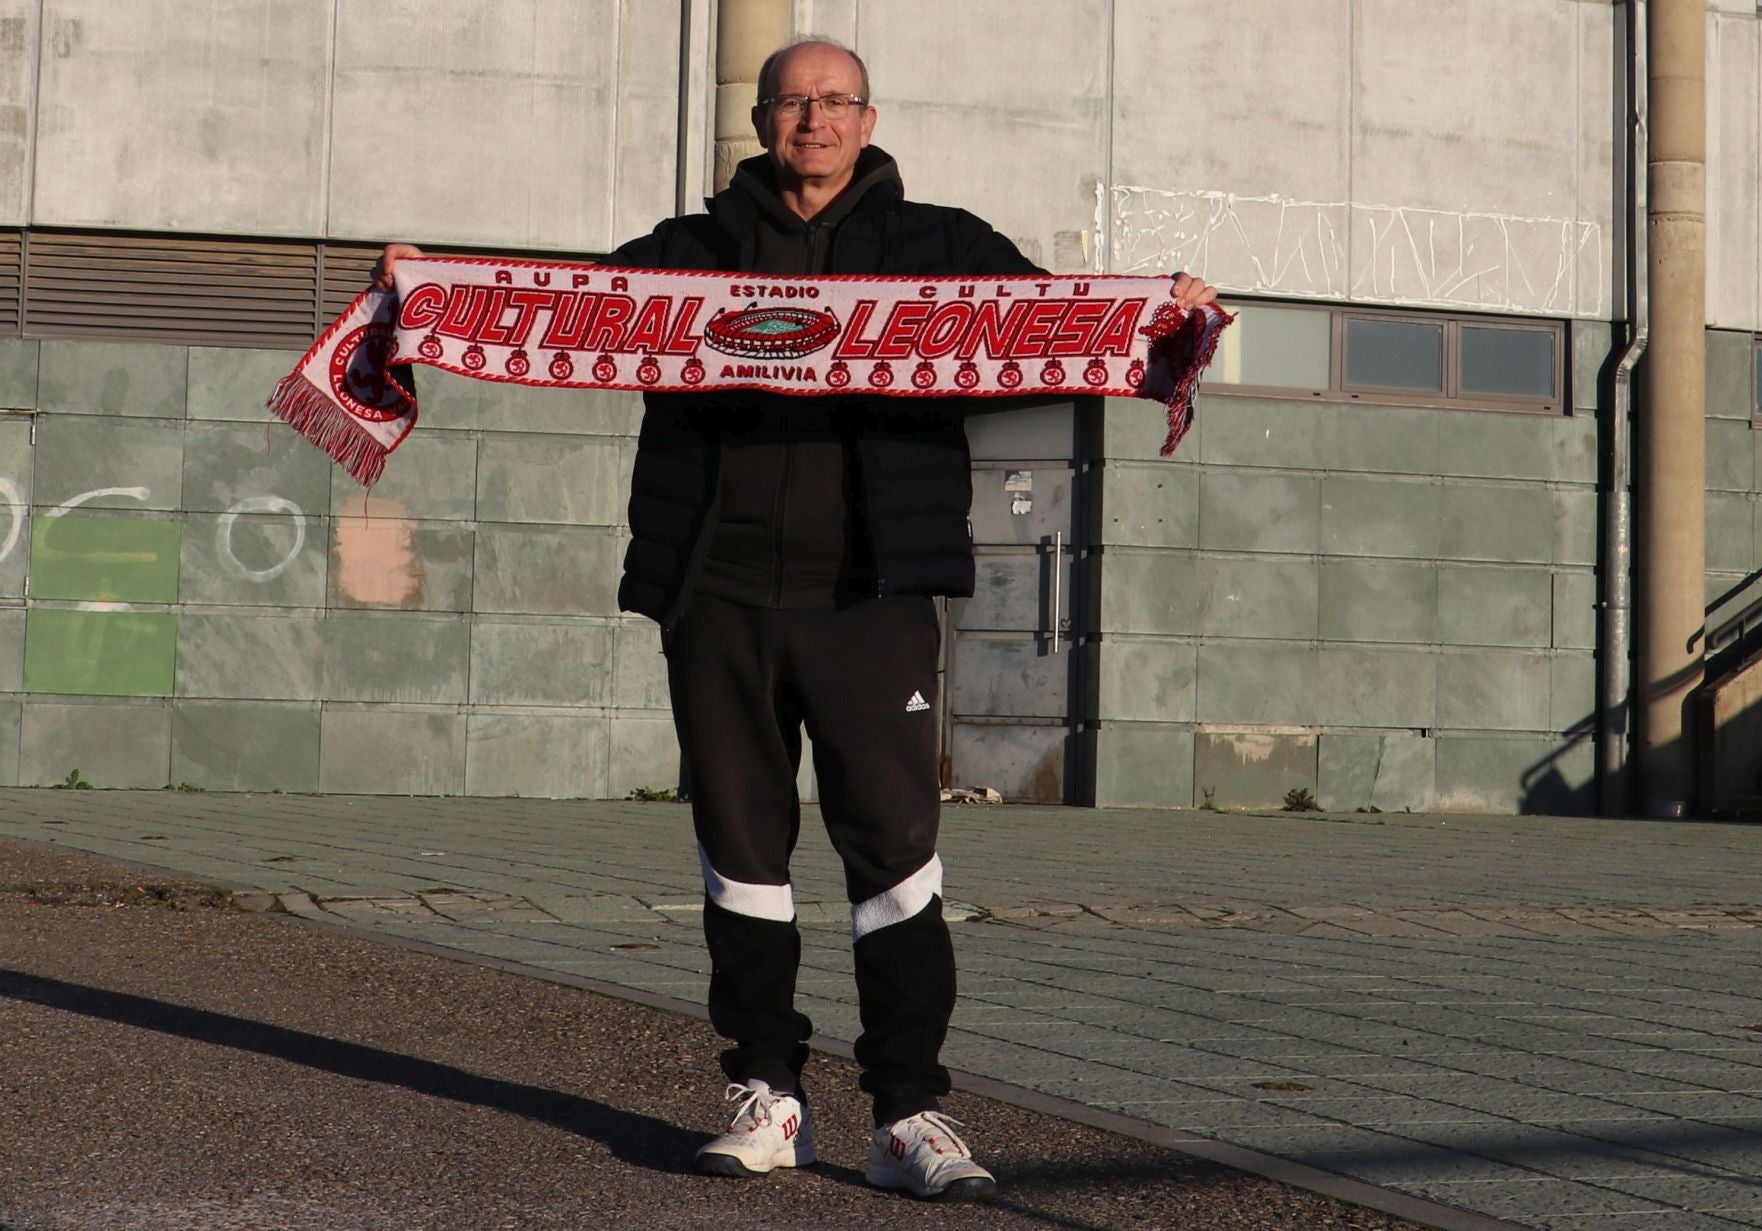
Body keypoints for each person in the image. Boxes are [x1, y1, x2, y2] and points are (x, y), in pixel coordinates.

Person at [378, 36, 1215, 1201]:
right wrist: (436, 288)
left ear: (869, 119)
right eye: (791, 102)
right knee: (743, 853)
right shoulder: (691, 255)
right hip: (715, 595)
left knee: (896, 855)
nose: (811, 119)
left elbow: (1055, 333)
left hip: (872, 599)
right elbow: (563, 313)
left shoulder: (945, 251)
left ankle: (910, 1113)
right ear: (762, 119)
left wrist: (1159, 309)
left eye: (834, 101)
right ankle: (769, 1094)